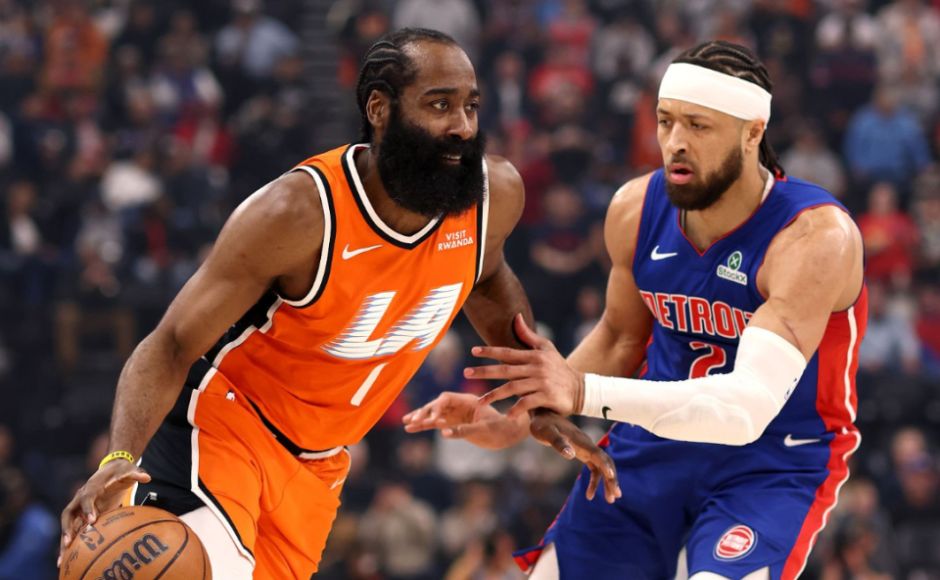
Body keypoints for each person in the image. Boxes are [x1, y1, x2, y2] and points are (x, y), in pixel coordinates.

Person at [58, 28, 618, 580]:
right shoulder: (299, 213)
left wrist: (539, 405)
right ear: (380, 109)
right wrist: (118, 459)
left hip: (319, 463)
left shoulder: (493, 196)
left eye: (471, 106)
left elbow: (488, 276)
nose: (462, 126)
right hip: (223, 428)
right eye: (439, 105)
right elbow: (170, 345)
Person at [407, 41, 868, 579]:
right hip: (651, 442)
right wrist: (520, 416)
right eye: (666, 121)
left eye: (699, 126)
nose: (675, 143)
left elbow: (746, 409)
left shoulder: (813, 236)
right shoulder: (635, 208)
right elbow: (621, 338)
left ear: (752, 133)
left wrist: (580, 392)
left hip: (770, 458)